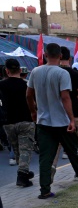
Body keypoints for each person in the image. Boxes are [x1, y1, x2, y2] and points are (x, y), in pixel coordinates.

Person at [26, 42, 78, 199]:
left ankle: (44, 189)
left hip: (43, 121)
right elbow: (65, 97)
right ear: (60, 56)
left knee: (46, 157)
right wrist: (71, 119)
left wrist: (33, 111)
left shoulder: (35, 72)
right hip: (62, 121)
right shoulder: (62, 73)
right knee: (75, 152)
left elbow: (28, 95)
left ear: (45, 55)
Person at [0, 58, 36, 187]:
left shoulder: (1, 85)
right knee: (25, 149)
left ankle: (23, 172)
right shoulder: (27, 85)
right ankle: (22, 177)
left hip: (8, 123)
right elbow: (34, 102)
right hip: (26, 121)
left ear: (7, 71)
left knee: (16, 150)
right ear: (20, 70)